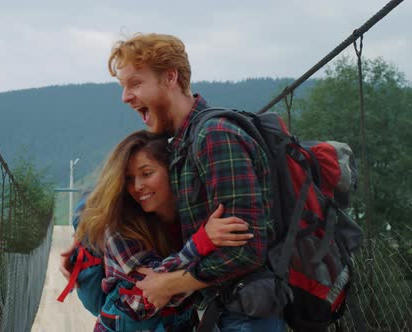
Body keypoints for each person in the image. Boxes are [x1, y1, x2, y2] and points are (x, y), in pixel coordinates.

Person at [108, 33, 285, 331]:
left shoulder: (214, 135)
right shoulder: (182, 145)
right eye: (123, 87)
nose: (125, 97)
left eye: (135, 84)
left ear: (170, 78)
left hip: (246, 315)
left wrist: (168, 284)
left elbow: (247, 250)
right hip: (224, 311)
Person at [61, 130, 254, 331]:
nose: (137, 186)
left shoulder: (190, 214)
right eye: (128, 178)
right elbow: (156, 289)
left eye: (147, 174)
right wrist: (203, 243)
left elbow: (171, 283)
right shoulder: (118, 228)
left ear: (171, 170)